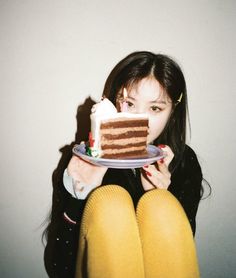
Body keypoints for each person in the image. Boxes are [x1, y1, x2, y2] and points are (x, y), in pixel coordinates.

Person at [44, 51, 205, 278]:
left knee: (161, 204)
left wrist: (160, 196)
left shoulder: (183, 162)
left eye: (155, 108)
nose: (139, 118)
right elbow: (59, 268)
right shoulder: (83, 159)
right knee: (111, 201)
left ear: (172, 110)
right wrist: (77, 198)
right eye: (129, 103)